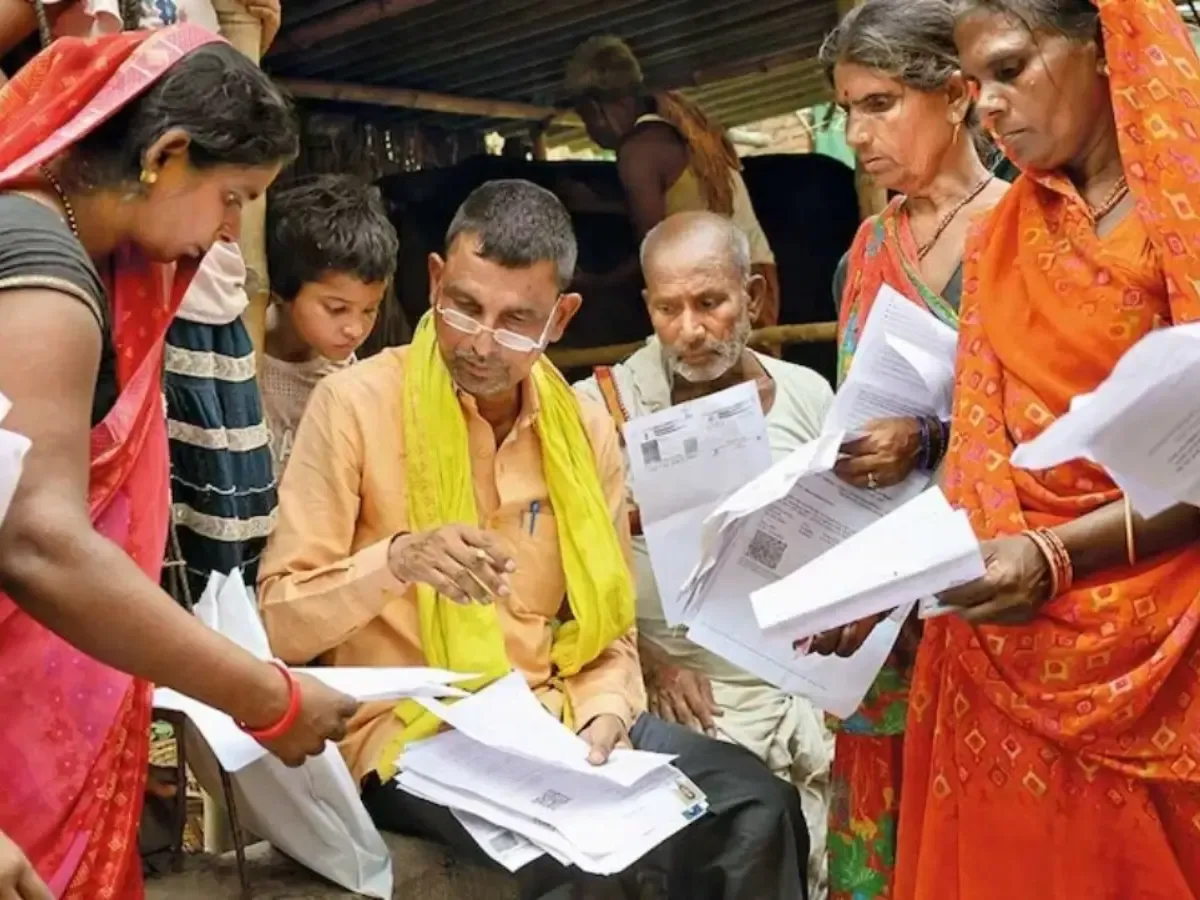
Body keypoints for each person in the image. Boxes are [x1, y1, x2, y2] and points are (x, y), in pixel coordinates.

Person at [259, 179, 811, 900]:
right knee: (590, 870)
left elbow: (606, 631)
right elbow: (280, 622)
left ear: (561, 317)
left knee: (756, 806)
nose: (481, 342)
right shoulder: (354, 405)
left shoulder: (583, 430)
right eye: (464, 307)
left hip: (554, 716)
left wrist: (607, 713)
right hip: (413, 737)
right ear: (434, 281)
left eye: (517, 320)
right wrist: (396, 561)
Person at [0, 28, 358, 898]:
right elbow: (38, 544)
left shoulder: (53, 240)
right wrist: (265, 697)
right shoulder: (44, 280)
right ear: (164, 156)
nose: (230, 232)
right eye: (232, 197)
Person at [888, 1, 1200, 898]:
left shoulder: (1182, 213)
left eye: (1011, 68)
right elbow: (981, 452)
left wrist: (1060, 555)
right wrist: (884, 589)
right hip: (1006, 642)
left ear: (1105, 47)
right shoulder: (1001, 238)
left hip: (1171, 641)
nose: (988, 104)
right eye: (974, 82)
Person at [575, 210, 834, 898]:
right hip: (691, 704)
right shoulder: (601, 409)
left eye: (710, 303)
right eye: (668, 309)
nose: (689, 329)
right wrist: (649, 662)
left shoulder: (806, 396)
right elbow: (559, 584)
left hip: (805, 694)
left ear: (753, 296)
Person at [812, 3, 1009, 897]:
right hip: (879, 622)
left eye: (880, 104)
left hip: (989, 597)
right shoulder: (866, 250)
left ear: (958, 96)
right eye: (847, 109)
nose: (857, 134)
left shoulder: (1027, 231)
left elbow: (1053, 423)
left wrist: (929, 438)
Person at [563, 36, 781, 333]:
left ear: (595, 108)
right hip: (755, 275)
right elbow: (685, 207)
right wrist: (601, 205)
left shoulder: (638, 152)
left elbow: (652, 252)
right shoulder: (678, 125)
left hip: (715, 286)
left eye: (585, 118)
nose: (590, 131)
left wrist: (595, 285)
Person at [260, 174, 399, 476]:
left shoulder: (348, 377)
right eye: (336, 309)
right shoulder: (245, 361)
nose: (355, 329)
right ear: (281, 289)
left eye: (369, 310)